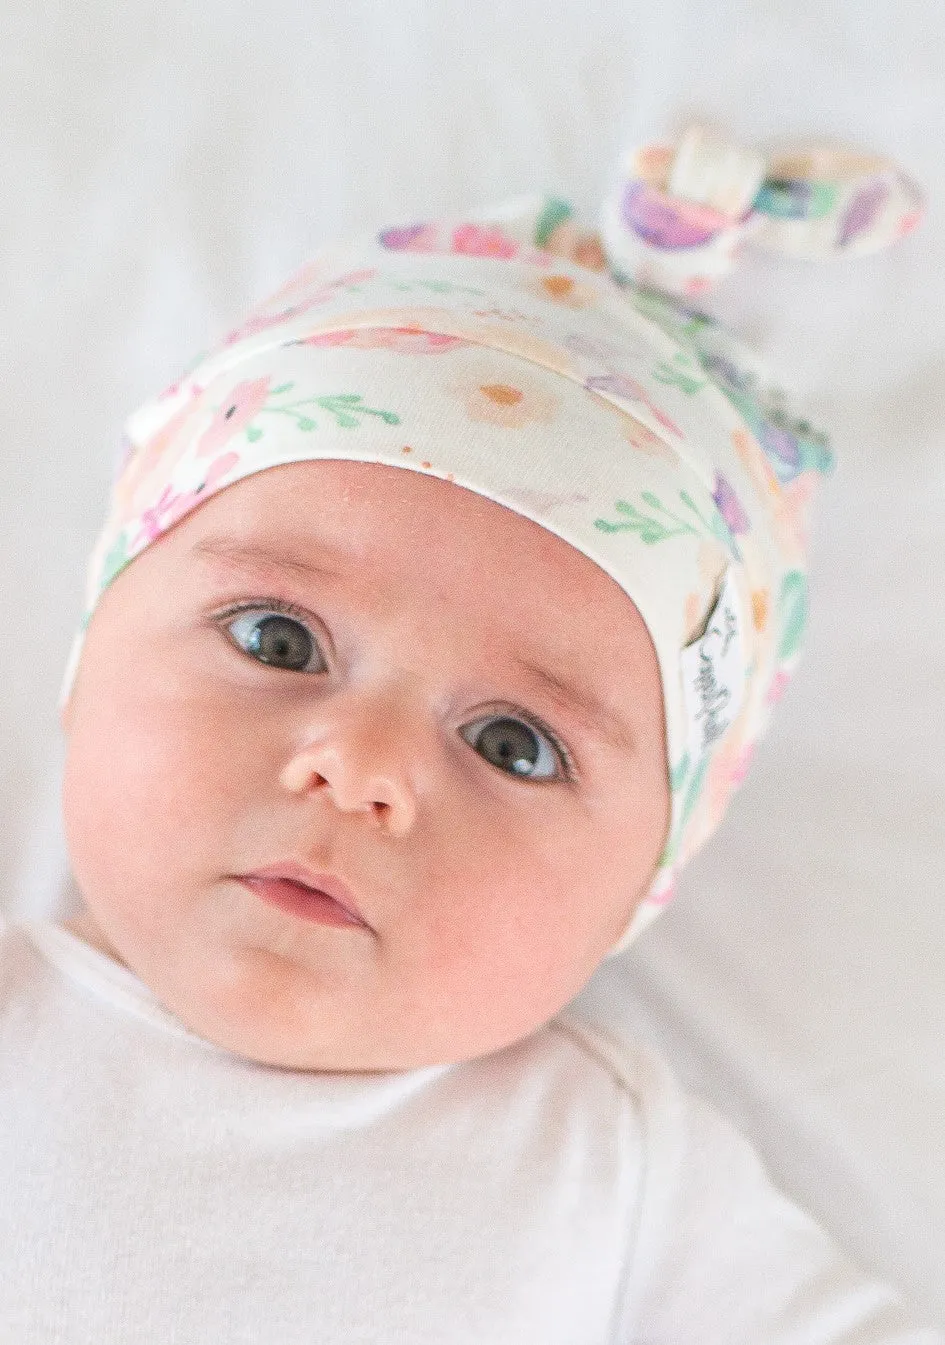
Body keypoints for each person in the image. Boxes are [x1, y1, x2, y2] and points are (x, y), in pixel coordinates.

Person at [1, 124, 939, 1341]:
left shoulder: (610, 1169)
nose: (363, 766)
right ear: (87, 658)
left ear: (639, 891)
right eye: (278, 640)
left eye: (515, 745)